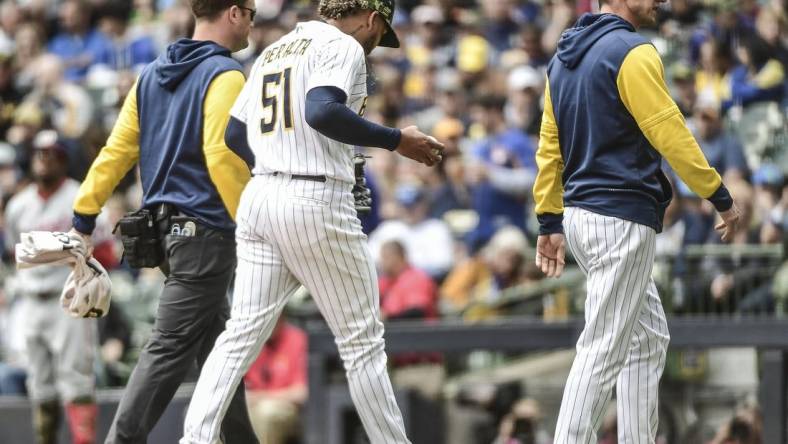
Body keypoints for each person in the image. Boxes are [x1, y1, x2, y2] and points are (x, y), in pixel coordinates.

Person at [179, 0, 445, 441]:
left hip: (262, 197)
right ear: (372, 19)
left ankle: (195, 438)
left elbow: (234, 133)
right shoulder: (343, 45)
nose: (376, 43)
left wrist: (275, 162)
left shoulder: (276, 48)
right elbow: (321, 110)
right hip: (314, 197)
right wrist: (397, 140)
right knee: (362, 345)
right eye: (381, 33)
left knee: (240, 335)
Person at [532, 0, 741, 442]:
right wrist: (717, 194)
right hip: (619, 217)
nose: (662, 2)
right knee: (603, 349)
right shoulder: (633, 51)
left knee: (648, 340)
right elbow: (670, 131)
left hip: (582, 217)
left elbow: (550, 145)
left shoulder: (563, 57)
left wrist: (549, 219)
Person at [68, 1, 259, 442]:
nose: (252, 20)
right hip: (207, 233)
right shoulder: (226, 75)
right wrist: (252, 224)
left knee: (219, 353)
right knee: (168, 348)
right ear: (232, 13)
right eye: (249, 11)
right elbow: (221, 156)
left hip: (166, 235)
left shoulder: (150, 74)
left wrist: (84, 215)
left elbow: (116, 152)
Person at [4, 130, 99, 444]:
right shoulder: (19, 205)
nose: (44, 160)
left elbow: (102, 248)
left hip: (69, 297)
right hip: (32, 300)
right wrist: (60, 248)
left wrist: (49, 250)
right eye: (39, 153)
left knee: (78, 381)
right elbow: (14, 253)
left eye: (52, 154)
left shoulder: (79, 195)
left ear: (63, 159)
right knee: (40, 384)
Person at [244, 318, 308, 444]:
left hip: (287, 409)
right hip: (252, 406)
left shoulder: (297, 339)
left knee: (266, 412)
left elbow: (302, 393)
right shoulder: (250, 340)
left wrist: (260, 397)